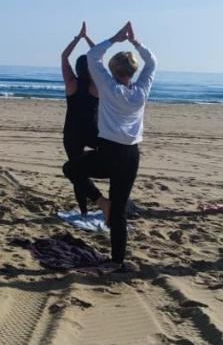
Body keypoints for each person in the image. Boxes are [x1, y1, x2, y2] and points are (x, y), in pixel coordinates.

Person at [63, 21, 156, 271]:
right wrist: (136, 43)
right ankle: (117, 261)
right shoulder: (141, 91)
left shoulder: (108, 86)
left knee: (71, 170)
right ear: (133, 71)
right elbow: (152, 63)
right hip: (131, 156)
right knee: (119, 212)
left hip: (109, 153)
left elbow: (94, 56)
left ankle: (100, 201)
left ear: (113, 69)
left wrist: (115, 38)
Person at [60, 21, 99, 215]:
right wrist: (88, 40)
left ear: (77, 68)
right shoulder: (97, 85)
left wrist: (78, 38)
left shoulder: (71, 83)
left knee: (77, 172)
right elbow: (100, 57)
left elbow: (64, 56)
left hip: (72, 131)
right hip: (93, 131)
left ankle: (84, 210)